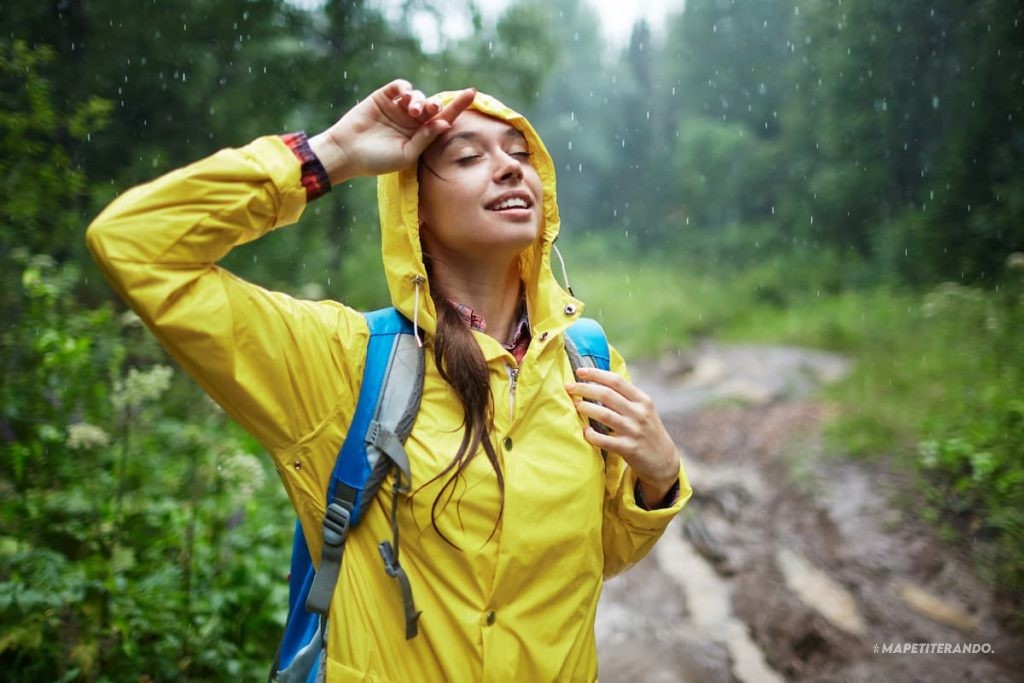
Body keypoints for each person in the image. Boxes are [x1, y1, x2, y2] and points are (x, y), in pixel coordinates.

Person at [86, 79, 692, 681]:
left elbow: (592, 558)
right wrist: (329, 154)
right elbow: (136, 245)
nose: (509, 168)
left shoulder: (586, 358)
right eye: (469, 156)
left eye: (519, 152)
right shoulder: (340, 364)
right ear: (414, 209)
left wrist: (659, 479)